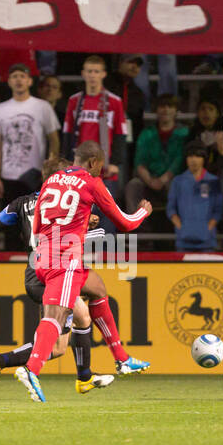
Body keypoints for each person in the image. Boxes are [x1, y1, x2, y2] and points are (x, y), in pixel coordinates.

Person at [13, 141, 152, 403]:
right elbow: (125, 223)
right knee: (56, 316)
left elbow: (39, 222)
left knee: (98, 290)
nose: (101, 170)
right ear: (92, 162)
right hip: (65, 260)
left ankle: (122, 359)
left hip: (42, 254)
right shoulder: (91, 182)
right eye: (100, 165)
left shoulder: (52, 179)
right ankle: (31, 369)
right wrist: (143, 212)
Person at [0, 165, 113, 396]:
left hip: (35, 271)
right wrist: (91, 226)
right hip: (54, 268)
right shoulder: (65, 202)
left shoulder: (21, 203)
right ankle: (83, 377)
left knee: (58, 347)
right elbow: (66, 235)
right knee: (83, 316)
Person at [0, 63, 61, 233]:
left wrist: (49, 172)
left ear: (30, 81)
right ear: (9, 82)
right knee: (10, 226)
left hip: (35, 175)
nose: (19, 80)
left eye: (22, 76)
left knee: (36, 225)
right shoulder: (1, 109)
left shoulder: (42, 107)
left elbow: (54, 141)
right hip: (8, 176)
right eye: (14, 76)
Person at [125, 94, 187, 213]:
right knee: (133, 185)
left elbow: (179, 161)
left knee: (178, 184)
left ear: (176, 110)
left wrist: (163, 179)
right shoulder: (146, 133)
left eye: (170, 106)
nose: (166, 110)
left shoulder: (184, 133)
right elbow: (140, 162)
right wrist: (150, 180)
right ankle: (136, 226)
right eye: (162, 106)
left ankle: (176, 226)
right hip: (149, 180)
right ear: (156, 110)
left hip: (172, 179)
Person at [167, 142, 223, 252]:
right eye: (190, 156)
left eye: (198, 156)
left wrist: (207, 229)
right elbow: (171, 209)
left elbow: (218, 210)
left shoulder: (213, 181)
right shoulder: (178, 181)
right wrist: (182, 228)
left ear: (204, 159)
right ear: (186, 159)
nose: (194, 160)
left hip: (207, 242)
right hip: (183, 242)